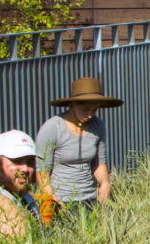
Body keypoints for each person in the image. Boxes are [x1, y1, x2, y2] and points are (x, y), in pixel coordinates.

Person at [36, 75, 118, 214]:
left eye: (94, 110)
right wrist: (52, 199)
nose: (90, 115)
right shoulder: (53, 127)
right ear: (72, 105)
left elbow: (99, 162)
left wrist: (105, 184)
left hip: (90, 199)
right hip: (62, 200)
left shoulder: (97, 126)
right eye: (85, 109)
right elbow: (42, 170)